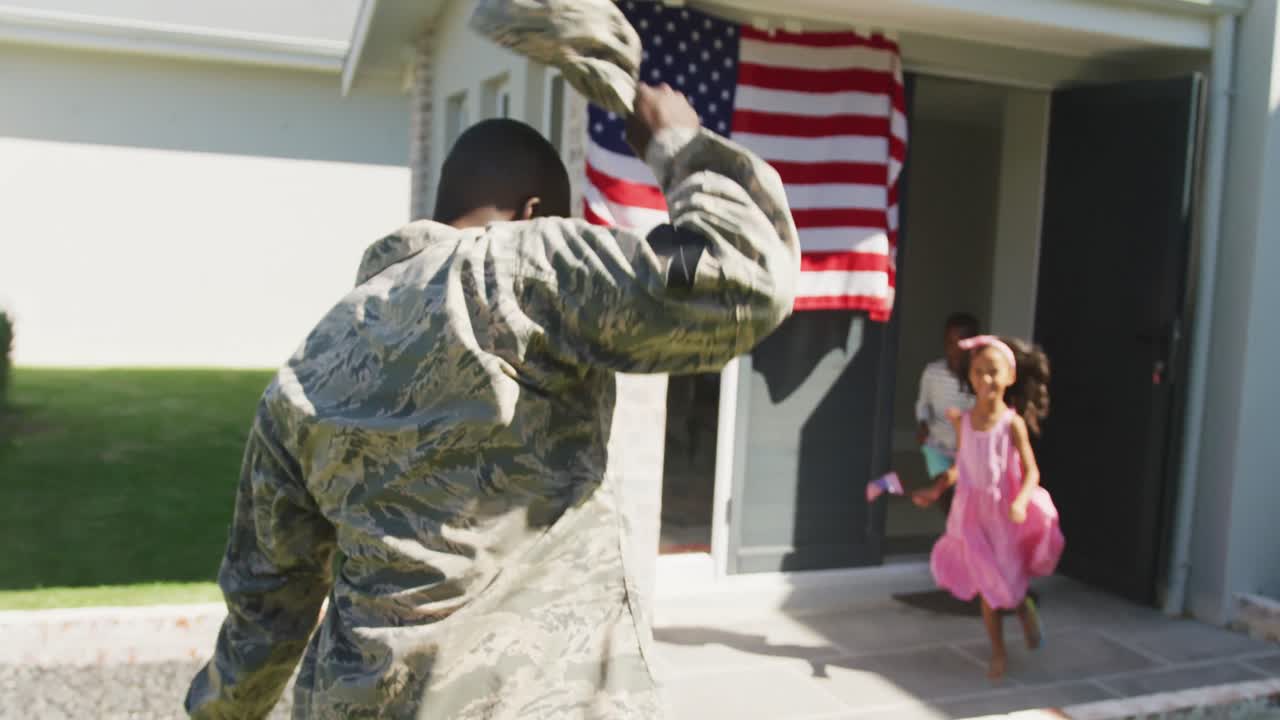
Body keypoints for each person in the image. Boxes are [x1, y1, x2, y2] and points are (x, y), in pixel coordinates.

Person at [183, 83, 799, 719]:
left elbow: (264, 616)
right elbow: (745, 274)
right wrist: (679, 143)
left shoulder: (308, 363)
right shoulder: (518, 267)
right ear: (533, 212)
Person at [912, 335, 1064, 681]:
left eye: (993, 372)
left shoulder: (1012, 424)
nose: (986, 380)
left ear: (1009, 376)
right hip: (971, 514)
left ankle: (1023, 606)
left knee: (1008, 585)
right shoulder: (963, 421)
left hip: (1003, 514)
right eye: (979, 372)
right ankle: (998, 653)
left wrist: (1022, 501)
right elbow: (960, 465)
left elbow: (1032, 471)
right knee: (987, 586)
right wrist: (936, 490)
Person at [911, 312, 980, 514]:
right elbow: (923, 404)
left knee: (966, 495)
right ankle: (955, 534)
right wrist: (923, 424)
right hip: (937, 444)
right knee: (945, 495)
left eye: (963, 344)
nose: (956, 350)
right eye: (951, 343)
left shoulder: (978, 378)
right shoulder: (932, 373)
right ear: (944, 343)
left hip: (967, 448)